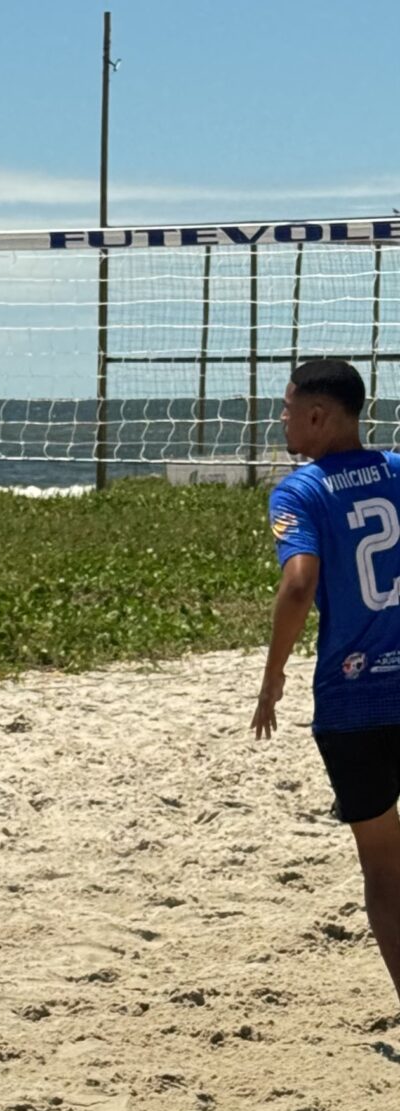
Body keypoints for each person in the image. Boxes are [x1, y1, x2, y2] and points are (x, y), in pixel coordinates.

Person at [252, 355, 400, 1001]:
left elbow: (298, 584)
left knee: (385, 871)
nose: (281, 420)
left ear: (316, 416)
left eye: (286, 409)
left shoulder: (300, 490)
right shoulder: (397, 471)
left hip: (353, 701)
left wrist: (272, 677)